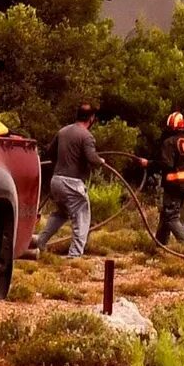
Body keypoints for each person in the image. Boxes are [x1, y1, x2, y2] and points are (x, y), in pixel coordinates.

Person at [43, 108, 111, 258]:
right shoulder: (87, 136)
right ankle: (74, 256)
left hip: (56, 181)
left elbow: (49, 152)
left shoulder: (63, 131)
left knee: (61, 214)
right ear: (91, 118)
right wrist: (101, 161)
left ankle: (40, 243)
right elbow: (92, 158)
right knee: (82, 217)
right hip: (72, 184)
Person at [150, 111, 184, 245]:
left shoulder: (169, 143)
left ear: (170, 127)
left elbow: (167, 164)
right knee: (166, 214)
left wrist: (149, 164)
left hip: (173, 185)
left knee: (171, 217)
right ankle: (160, 246)